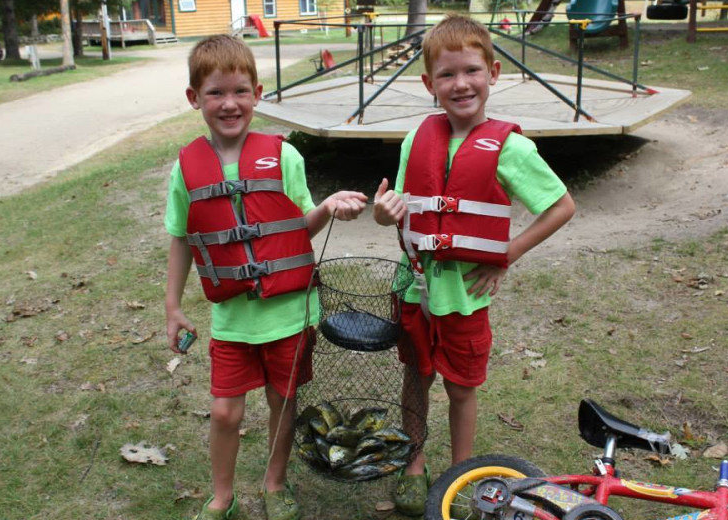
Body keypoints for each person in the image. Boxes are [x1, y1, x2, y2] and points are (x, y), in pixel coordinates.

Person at [372, 14, 576, 517]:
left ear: (493, 72)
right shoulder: (414, 139)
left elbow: (561, 206)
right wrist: (383, 212)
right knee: (415, 378)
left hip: (465, 295)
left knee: (462, 388)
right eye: (446, 75)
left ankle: (460, 474)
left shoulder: (512, 147)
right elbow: (396, 206)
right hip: (415, 287)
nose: (460, 84)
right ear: (429, 84)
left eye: (471, 71)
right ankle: (415, 462)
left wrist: (507, 254)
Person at [164, 35, 367, 520]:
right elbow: (181, 239)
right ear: (195, 98)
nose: (229, 104)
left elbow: (299, 227)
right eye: (215, 93)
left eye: (240, 91)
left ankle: (275, 484)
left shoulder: (285, 157)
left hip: (289, 314)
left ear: (257, 93)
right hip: (234, 319)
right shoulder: (184, 169)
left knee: (283, 401)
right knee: (224, 412)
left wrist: (325, 207)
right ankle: (221, 495)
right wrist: (172, 306)